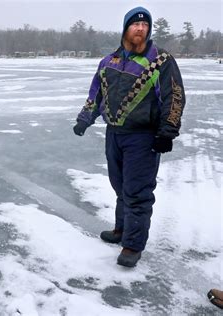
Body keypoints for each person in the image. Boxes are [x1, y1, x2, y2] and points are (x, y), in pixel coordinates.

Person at [73, 6, 185, 267]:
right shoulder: (109, 61)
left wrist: (167, 132)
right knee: (120, 186)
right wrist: (84, 119)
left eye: (146, 25)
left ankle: (133, 246)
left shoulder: (161, 60)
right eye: (135, 24)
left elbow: (174, 97)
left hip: (143, 138)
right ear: (125, 28)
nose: (141, 28)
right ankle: (122, 229)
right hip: (114, 134)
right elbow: (96, 94)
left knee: (137, 191)